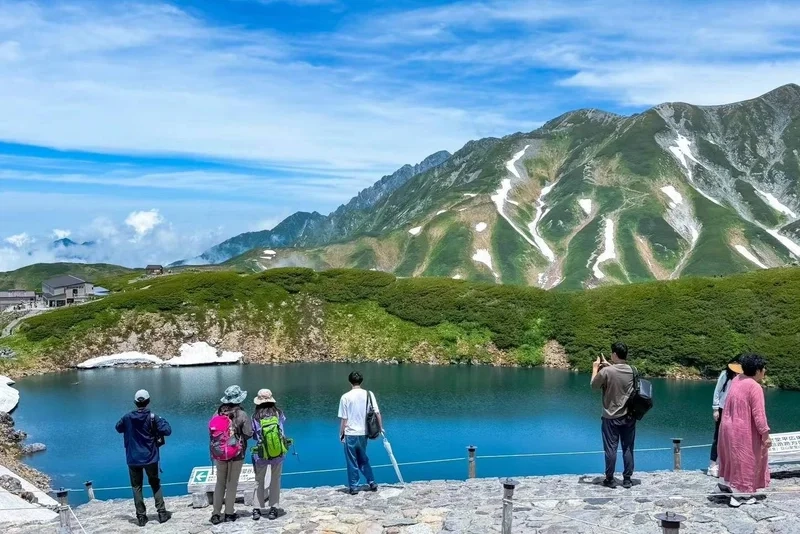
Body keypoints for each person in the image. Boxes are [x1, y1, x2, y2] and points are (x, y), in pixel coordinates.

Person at [718, 353, 772, 507]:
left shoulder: (737, 379)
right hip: (743, 430)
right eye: (763, 368)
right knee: (746, 459)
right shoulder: (754, 387)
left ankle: (726, 483)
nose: (765, 371)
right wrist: (765, 435)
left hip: (728, 425)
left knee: (730, 456)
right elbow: (759, 415)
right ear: (757, 370)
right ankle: (741, 495)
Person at [115, 389, 172, 527]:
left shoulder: (127, 417)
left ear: (135, 402)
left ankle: (141, 517)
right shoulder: (153, 417)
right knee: (155, 483)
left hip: (133, 458)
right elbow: (167, 430)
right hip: (150, 457)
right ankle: (162, 513)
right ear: (148, 401)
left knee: (136, 486)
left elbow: (118, 428)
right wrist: (162, 420)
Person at [590, 342, 636, 489]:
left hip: (610, 417)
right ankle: (627, 479)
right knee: (628, 447)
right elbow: (620, 375)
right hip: (629, 416)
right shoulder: (633, 370)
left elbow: (594, 385)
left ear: (615, 354)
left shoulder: (606, 371)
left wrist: (595, 368)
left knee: (611, 448)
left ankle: (609, 479)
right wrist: (609, 365)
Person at [210, 385, 254, 525]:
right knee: (232, 483)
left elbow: (212, 432)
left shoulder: (217, 413)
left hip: (219, 454)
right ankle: (229, 513)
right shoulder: (241, 414)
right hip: (237, 454)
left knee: (220, 483)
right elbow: (248, 433)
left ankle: (216, 514)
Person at [338, 371, 382, 494]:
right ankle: (372, 482)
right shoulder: (369, 394)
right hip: (364, 433)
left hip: (350, 433)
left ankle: (354, 487)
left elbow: (344, 419)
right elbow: (377, 412)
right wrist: (380, 427)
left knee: (351, 460)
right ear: (361, 381)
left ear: (350, 381)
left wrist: (341, 433)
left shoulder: (345, 397)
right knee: (363, 458)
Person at [251, 389, 289, 521]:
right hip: (277, 453)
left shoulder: (256, 416)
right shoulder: (278, 413)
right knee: (275, 480)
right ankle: (273, 508)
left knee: (259, 480)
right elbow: (282, 429)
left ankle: (257, 509)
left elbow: (254, 435)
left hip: (262, 453)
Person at [709, 356, 743, 477]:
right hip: (722, 408)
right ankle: (713, 465)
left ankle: (725, 465)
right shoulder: (725, 374)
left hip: (735, 410)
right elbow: (717, 391)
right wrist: (715, 409)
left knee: (732, 437)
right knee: (718, 436)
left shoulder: (743, 376)